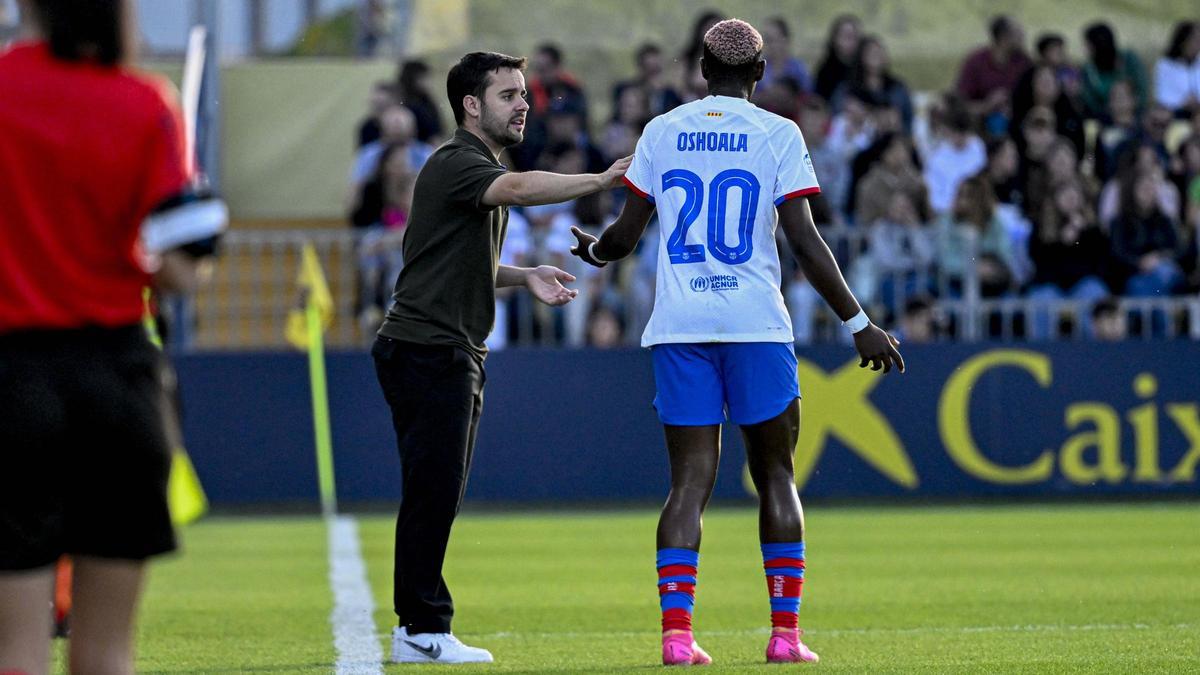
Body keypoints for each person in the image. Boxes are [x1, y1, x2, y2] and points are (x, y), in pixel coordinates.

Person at [569, 19, 903, 667]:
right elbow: (805, 240)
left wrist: (598, 252)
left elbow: (626, 232)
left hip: (681, 327)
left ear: (700, 69)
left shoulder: (661, 131)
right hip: (755, 324)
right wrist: (858, 321)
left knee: (688, 483)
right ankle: (783, 635)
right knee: (776, 473)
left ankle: (676, 636)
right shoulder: (778, 133)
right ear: (759, 74)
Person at [373, 51, 630, 665]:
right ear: (471, 105)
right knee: (434, 490)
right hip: (430, 348)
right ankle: (421, 629)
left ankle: (419, 624)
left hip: (436, 346)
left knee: (434, 489)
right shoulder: (461, 161)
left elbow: (452, 262)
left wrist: (524, 275)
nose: (523, 105)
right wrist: (599, 180)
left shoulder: (467, 166)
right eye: (509, 95)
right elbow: (516, 187)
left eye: (523, 94)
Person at [1, 1, 225, 672]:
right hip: (118, 382)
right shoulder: (143, 103)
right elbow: (185, 272)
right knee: (106, 652)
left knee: (15, 648)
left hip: (12, 381)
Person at [954, 15, 1032, 133]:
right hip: (980, 125)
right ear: (1003, 37)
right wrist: (987, 106)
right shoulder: (976, 62)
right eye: (1018, 32)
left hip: (1017, 123)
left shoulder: (1024, 62)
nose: (1023, 36)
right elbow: (960, 105)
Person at [1080, 22, 1148, 119]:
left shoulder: (1129, 59)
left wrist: (1129, 108)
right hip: (1105, 117)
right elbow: (1091, 101)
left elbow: (1142, 91)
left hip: (1135, 114)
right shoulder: (1089, 70)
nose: (1084, 49)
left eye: (1088, 45)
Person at [813, 14, 861, 102]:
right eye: (846, 37)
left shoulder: (865, 68)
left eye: (854, 37)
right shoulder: (826, 72)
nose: (851, 42)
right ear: (835, 39)